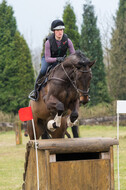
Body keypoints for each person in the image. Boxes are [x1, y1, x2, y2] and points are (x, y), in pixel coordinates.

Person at [30, 19, 75, 101]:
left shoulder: (68, 41)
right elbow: (47, 58)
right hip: (49, 60)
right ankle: (35, 91)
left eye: (61, 30)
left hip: (62, 60)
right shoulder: (48, 42)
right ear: (54, 31)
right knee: (43, 70)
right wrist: (57, 59)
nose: (60, 32)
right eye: (57, 30)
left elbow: (73, 55)